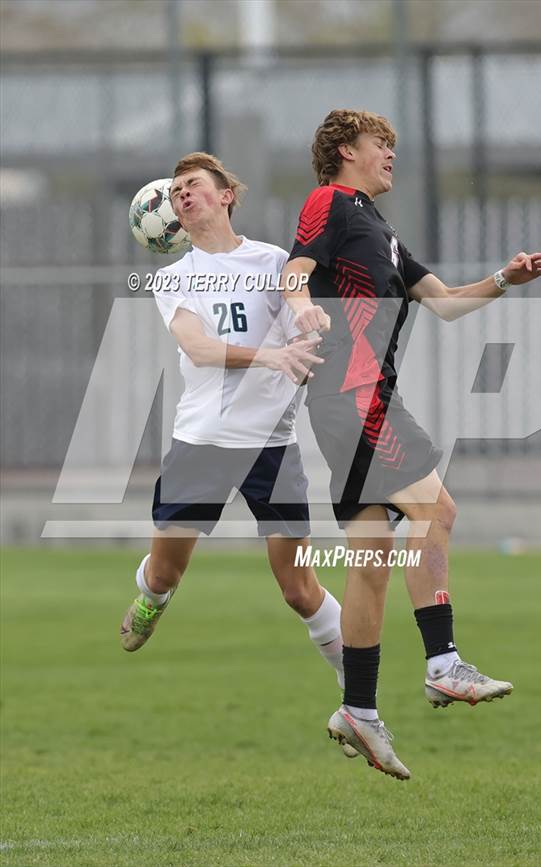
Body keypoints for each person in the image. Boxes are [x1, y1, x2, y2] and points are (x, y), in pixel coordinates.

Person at [281, 109, 541, 780]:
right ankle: (443, 664)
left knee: (371, 557)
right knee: (439, 509)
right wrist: (302, 309)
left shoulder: (385, 234)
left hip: (360, 398)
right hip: (354, 394)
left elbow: (449, 302)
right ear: (346, 151)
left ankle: (359, 709)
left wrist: (503, 279)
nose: (391, 156)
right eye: (382, 145)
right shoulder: (331, 202)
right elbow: (294, 270)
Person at [119, 152, 346, 697]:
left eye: (193, 185)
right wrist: (272, 358)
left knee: (297, 588)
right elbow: (197, 348)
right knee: (165, 576)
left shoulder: (274, 262)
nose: (182, 195)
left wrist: (309, 323)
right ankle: (150, 598)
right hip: (203, 442)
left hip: (273, 445)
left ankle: (356, 680)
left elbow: (299, 306)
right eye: (175, 193)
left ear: (226, 196)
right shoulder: (175, 278)